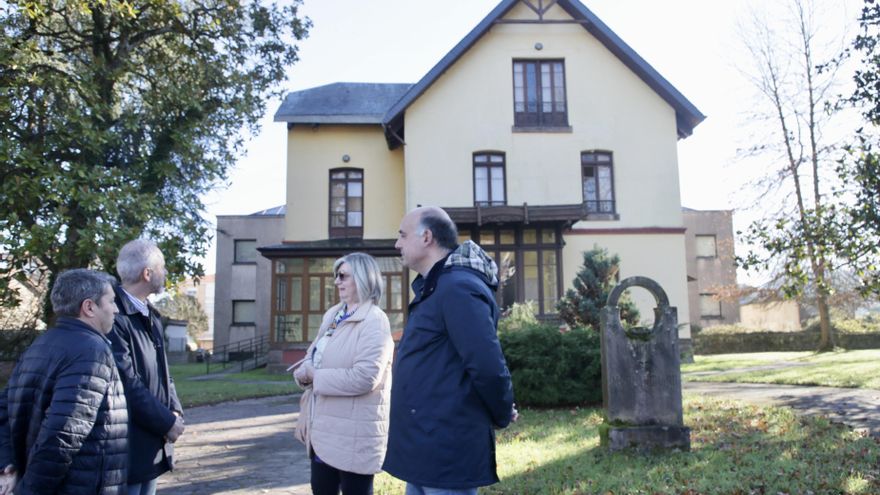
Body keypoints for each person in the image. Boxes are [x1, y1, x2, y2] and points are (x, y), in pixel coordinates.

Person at [383, 206, 517, 495]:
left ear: (427, 237)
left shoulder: (457, 288)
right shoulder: (436, 287)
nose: (397, 244)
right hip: (426, 447)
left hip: (447, 451)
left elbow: (487, 364)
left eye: (403, 235)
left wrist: (502, 411)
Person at [0, 269, 129, 495]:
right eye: (111, 301)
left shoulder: (38, 345)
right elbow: (64, 435)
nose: (116, 309)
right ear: (89, 307)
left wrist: (7, 465)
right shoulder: (92, 351)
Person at [293, 252, 394, 495]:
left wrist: (316, 376)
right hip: (323, 432)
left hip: (353, 436)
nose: (336, 281)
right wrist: (303, 371)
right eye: (335, 276)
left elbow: (365, 377)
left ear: (362, 278)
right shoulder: (333, 314)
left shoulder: (375, 321)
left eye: (343, 276)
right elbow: (313, 354)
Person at [108, 239, 184, 495]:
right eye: (162, 267)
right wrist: (166, 423)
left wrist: (175, 411)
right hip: (128, 447)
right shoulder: (114, 316)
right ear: (147, 273)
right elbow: (127, 383)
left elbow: (164, 373)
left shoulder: (151, 315)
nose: (165, 273)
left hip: (152, 442)